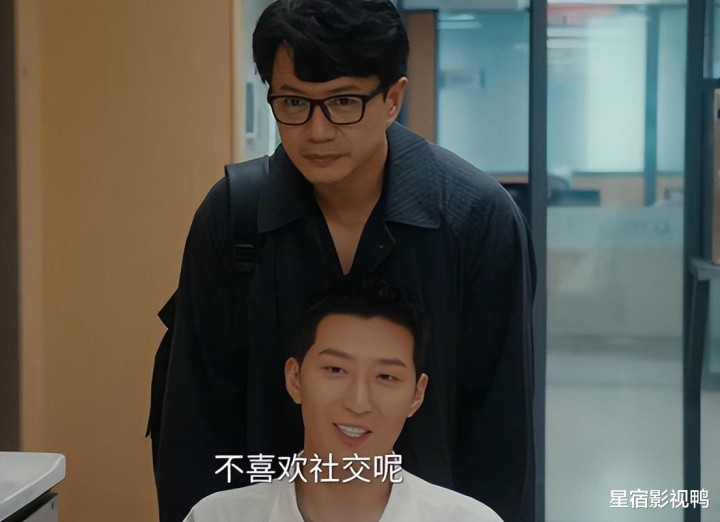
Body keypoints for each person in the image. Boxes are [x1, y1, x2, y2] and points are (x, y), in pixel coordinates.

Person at [151, 1, 536, 520]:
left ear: (393, 98)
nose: (317, 131)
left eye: (343, 102)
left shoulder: (476, 220)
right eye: (294, 102)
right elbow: (193, 424)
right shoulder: (234, 216)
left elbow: (502, 435)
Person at [183, 278, 503, 522]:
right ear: (295, 378)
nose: (358, 402)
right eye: (336, 370)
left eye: (386, 376)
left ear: (417, 395)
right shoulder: (218, 517)